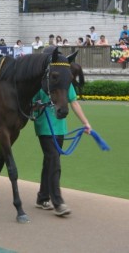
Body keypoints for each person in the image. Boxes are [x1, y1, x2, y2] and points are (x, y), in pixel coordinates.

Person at [33, 83, 92, 216]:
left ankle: (42, 198)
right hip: (45, 127)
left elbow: (74, 102)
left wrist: (85, 123)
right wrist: (38, 105)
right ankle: (58, 202)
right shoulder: (42, 81)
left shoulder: (66, 82)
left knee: (50, 162)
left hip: (60, 128)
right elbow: (31, 103)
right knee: (54, 162)